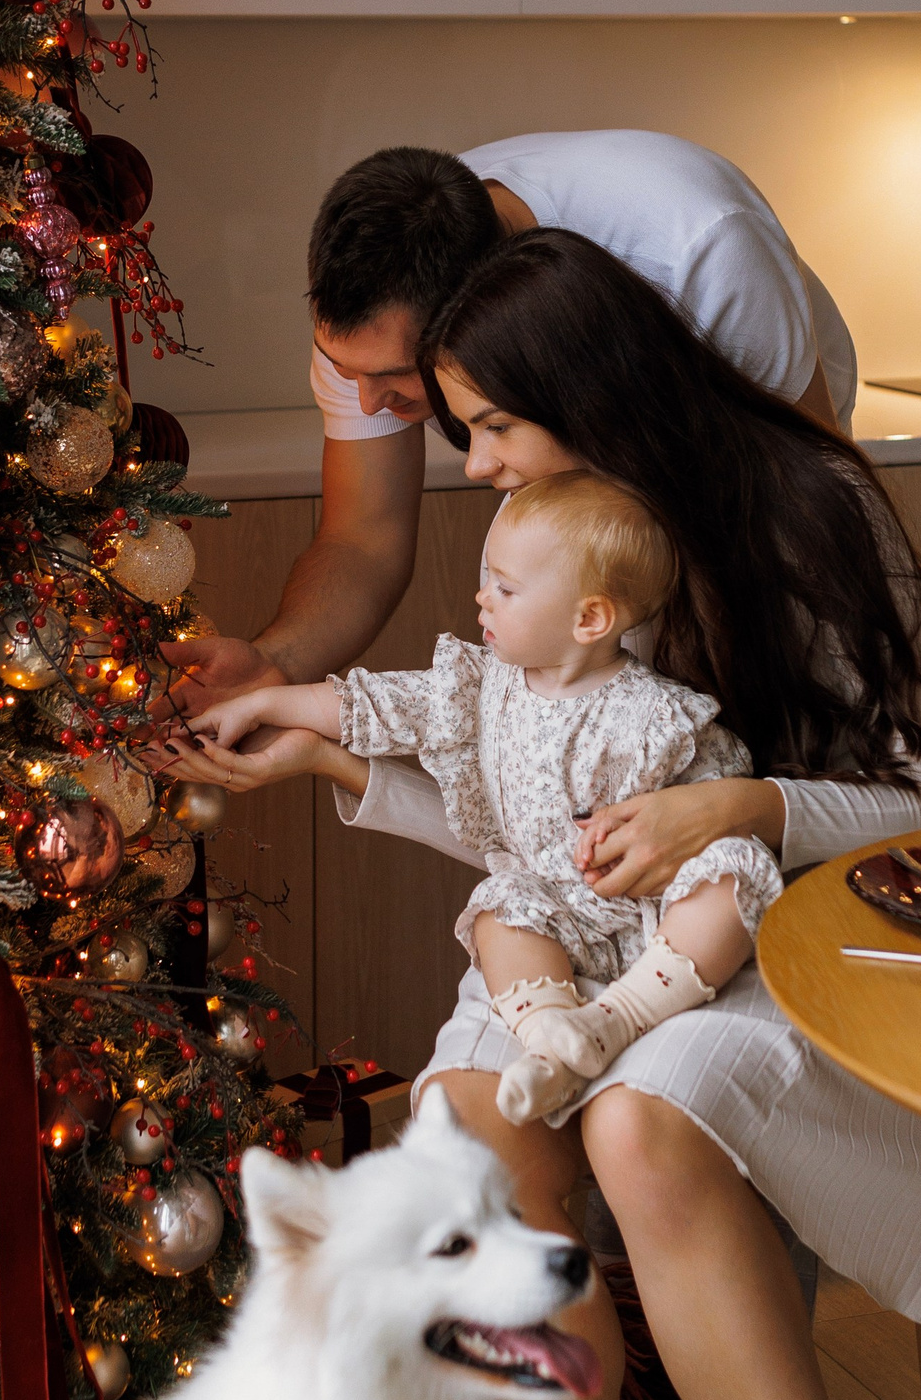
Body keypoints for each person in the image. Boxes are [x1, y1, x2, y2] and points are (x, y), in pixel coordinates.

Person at [164, 233, 921, 1400]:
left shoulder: (807, 508)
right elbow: (531, 829)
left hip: (774, 940)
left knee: (644, 1126)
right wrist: (319, 749)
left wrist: (736, 806)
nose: (473, 467)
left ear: (585, 392)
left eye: (488, 427)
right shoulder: (557, 549)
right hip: (587, 957)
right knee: (479, 1160)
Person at [166, 132, 856, 711]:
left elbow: (815, 496)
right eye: (342, 367)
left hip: (745, 436)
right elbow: (364, 538)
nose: (367, 402)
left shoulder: (703, 247)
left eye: (397, 377)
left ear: (483, 316)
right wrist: (277, 665)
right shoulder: (375, 315)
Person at [188, 468, 783, 1124]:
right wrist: (264, 703)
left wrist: (659, 837)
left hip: (655, 921)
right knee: (499, 909)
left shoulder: (654, 716)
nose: (482, 597)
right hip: (559, 916)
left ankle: (617, 1020)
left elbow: (722, 802)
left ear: (589, 618)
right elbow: (374, 703)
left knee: (735, 871)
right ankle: (550, 1038)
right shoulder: (484, 687)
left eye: (505, 587)